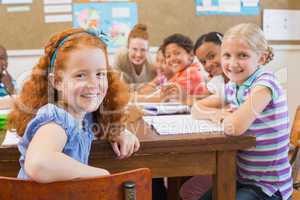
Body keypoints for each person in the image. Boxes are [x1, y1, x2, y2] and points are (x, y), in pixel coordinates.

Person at [7, 28, 140, 183]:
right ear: (56, 81)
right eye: (80, 75)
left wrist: (119, 131)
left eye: (100, 74)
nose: (93, 84)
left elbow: (99, 124)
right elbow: (38, 164)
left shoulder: (82, 113)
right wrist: (101, 175)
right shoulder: (57, 120)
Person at [192, 23, 292, 200]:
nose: (233, 63)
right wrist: (217, 115)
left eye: (242, 55)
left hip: (269, 186)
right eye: (227, 56)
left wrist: (228, 119)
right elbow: (196, 108)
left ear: (262, 58)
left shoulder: (264, 85)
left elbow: (235, 127)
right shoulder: (233, 85)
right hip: (241, 178)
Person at [159, 33, 207, 102]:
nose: (172, 59)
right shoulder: (179, 74)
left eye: (177, 53)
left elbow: (165, 96)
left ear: (191, 55)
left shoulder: (191, 72)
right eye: (168, 56)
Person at [0, 45, 16, 109]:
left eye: (2, 58)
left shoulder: (11, 81)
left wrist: (9, 86)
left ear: (7, 63)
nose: (0, 62)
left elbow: (18, 102)